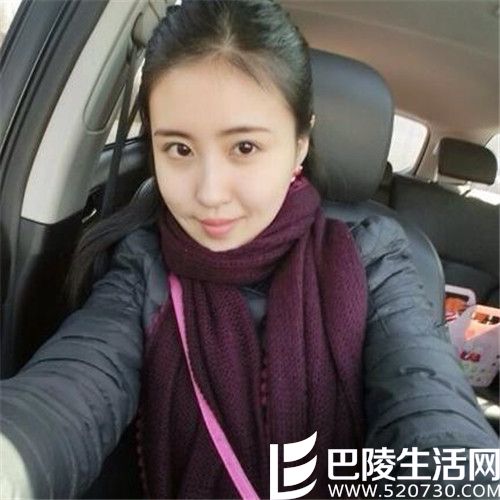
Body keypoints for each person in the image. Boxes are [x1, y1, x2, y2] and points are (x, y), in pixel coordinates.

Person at [1, 1, 498, 499]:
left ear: (300, 144)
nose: (209, 193)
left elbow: (426, 392)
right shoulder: (143, 265)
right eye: (179, 149)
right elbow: (75, 386)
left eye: (244, 148)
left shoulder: (374, 257)